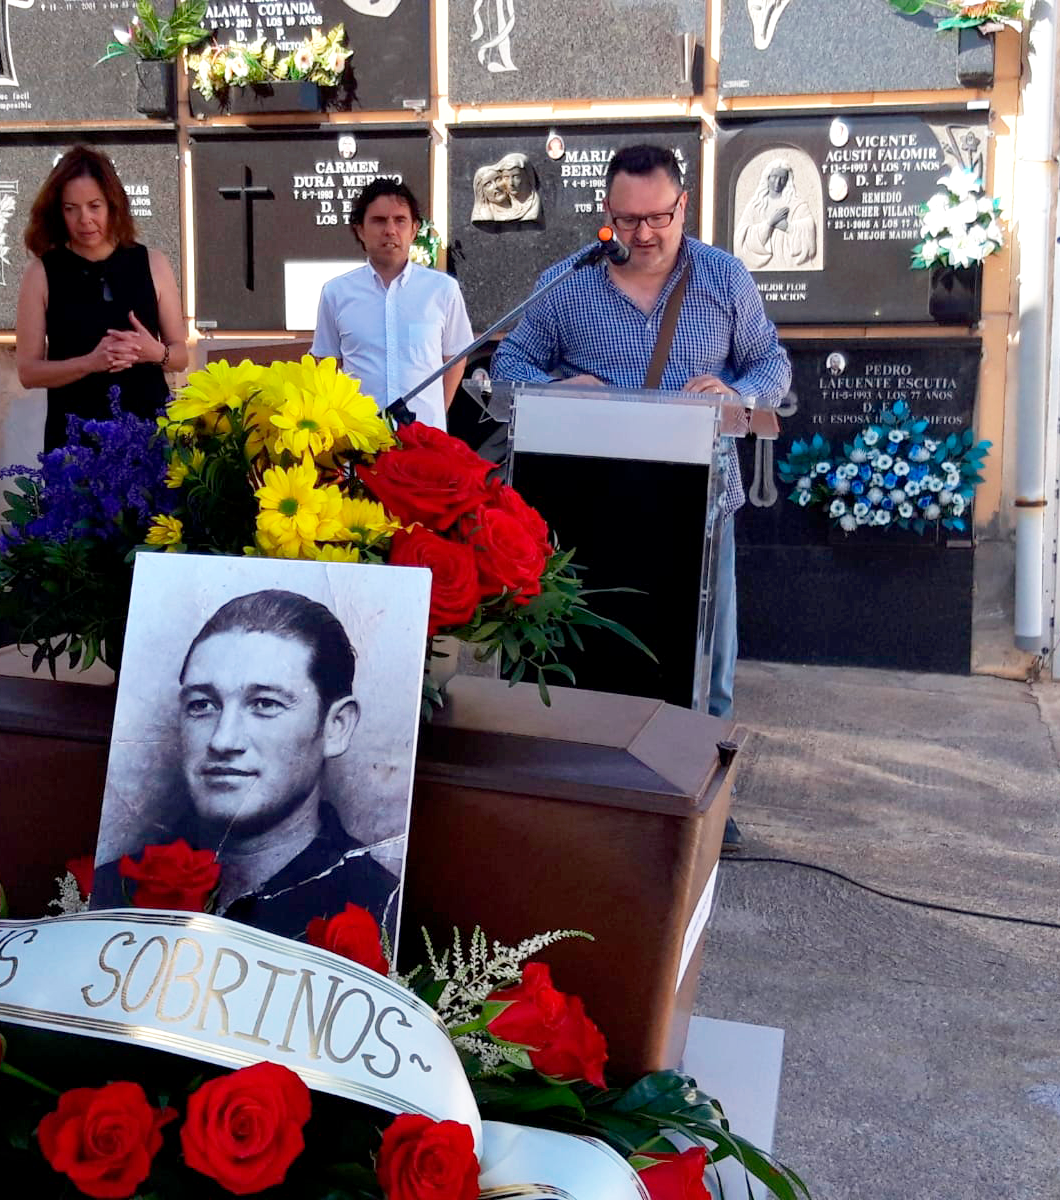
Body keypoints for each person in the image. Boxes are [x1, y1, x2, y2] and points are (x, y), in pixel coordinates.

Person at [490, 143, 791, 848]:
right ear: (606, 215)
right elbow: (508, 363)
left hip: (698, 510)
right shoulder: (566, 282)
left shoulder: (721, 278)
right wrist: (557, 386)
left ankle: (698, 797)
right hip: (585, 508)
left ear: (682, 205)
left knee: (701, 665)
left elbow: (770, 361)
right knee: (584, 651)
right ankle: (572, 784)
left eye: (658, 216)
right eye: (627, 221)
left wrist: (738, 393)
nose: (643, 234)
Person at [99, 589, 400, 940]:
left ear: (336, 727)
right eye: (202, 705)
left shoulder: (381, 910)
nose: (222, 741)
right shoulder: (112, 889)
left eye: (265, 704)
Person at [15, 145, 189, 452]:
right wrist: (90, 363)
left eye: (94, 206)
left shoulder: (153, 262)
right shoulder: (41, 272)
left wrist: (153, 352)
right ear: (58, 212)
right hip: (75, 444)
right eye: (71, 209)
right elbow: (28, 372)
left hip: (146, 436)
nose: (84, 219)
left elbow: (180, 356)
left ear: (112, 205)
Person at [311, 178, 475, 430]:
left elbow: (454, 358)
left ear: (414, 229)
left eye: (400, 220)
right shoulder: (336, 293)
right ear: (360, 230)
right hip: (361, 442)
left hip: (424, 442)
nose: (390, 230)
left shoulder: (442, 290)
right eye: (378, 220)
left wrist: (434, 415)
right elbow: (326, 365)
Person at [735, 159, 818, 270]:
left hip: (788, 264)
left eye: (782, 178)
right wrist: (769, 224)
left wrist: (789, 227)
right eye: (774, 177)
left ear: (787, 181)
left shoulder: (796, 204)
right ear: (767, 177)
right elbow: (741, 236)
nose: (777, 182)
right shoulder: (756, 205)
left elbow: (809, 226)